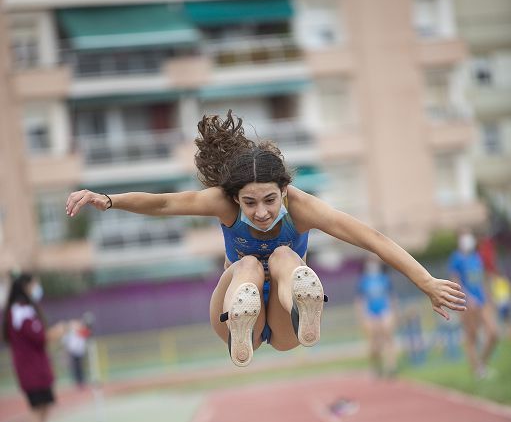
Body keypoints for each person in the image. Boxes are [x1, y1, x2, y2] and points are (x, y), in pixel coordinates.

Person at [66, 111, 466, 367]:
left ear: (285, 190)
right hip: (232, 320)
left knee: (283, 258)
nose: (260, 212)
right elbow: (164, 204)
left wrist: (426, 281)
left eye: (270, 200)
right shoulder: (223, 205)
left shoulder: (303, 207)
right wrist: (107, 200)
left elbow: (372, 238)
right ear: (234, 197)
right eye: (249, 202)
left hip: (285, 323)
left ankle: (303, 305)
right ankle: (243, 316)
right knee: (249, 265)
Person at [2, 273, 71, 422]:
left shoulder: (24, 310)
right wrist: (62, 329)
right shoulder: (20, 311)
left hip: (37, 368)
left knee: (43, 409)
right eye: (34, 284)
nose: (37, 288)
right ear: (26, 286)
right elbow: (40, 337)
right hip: (30, 370)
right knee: (36, 411)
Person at [448, 230, 499, 378]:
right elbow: (455, 281)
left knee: (494, 333)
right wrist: (467, 298)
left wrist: (489, 298)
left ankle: (481, 363)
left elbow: (481, 280)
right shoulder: (456, 258)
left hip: (482, 301)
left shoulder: (476, 257)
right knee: (472, 336)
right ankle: (476, 369)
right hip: (467, 304)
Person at [356, 256, 398, 377]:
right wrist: (362, 317)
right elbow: (360, 300)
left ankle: (391, 366)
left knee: (388, 337)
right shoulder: (363, 281)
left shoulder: (385, 279)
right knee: (374, 342)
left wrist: (394, 312)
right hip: (370, 312)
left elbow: (391, 297)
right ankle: (375, 366)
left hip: (384, 310)